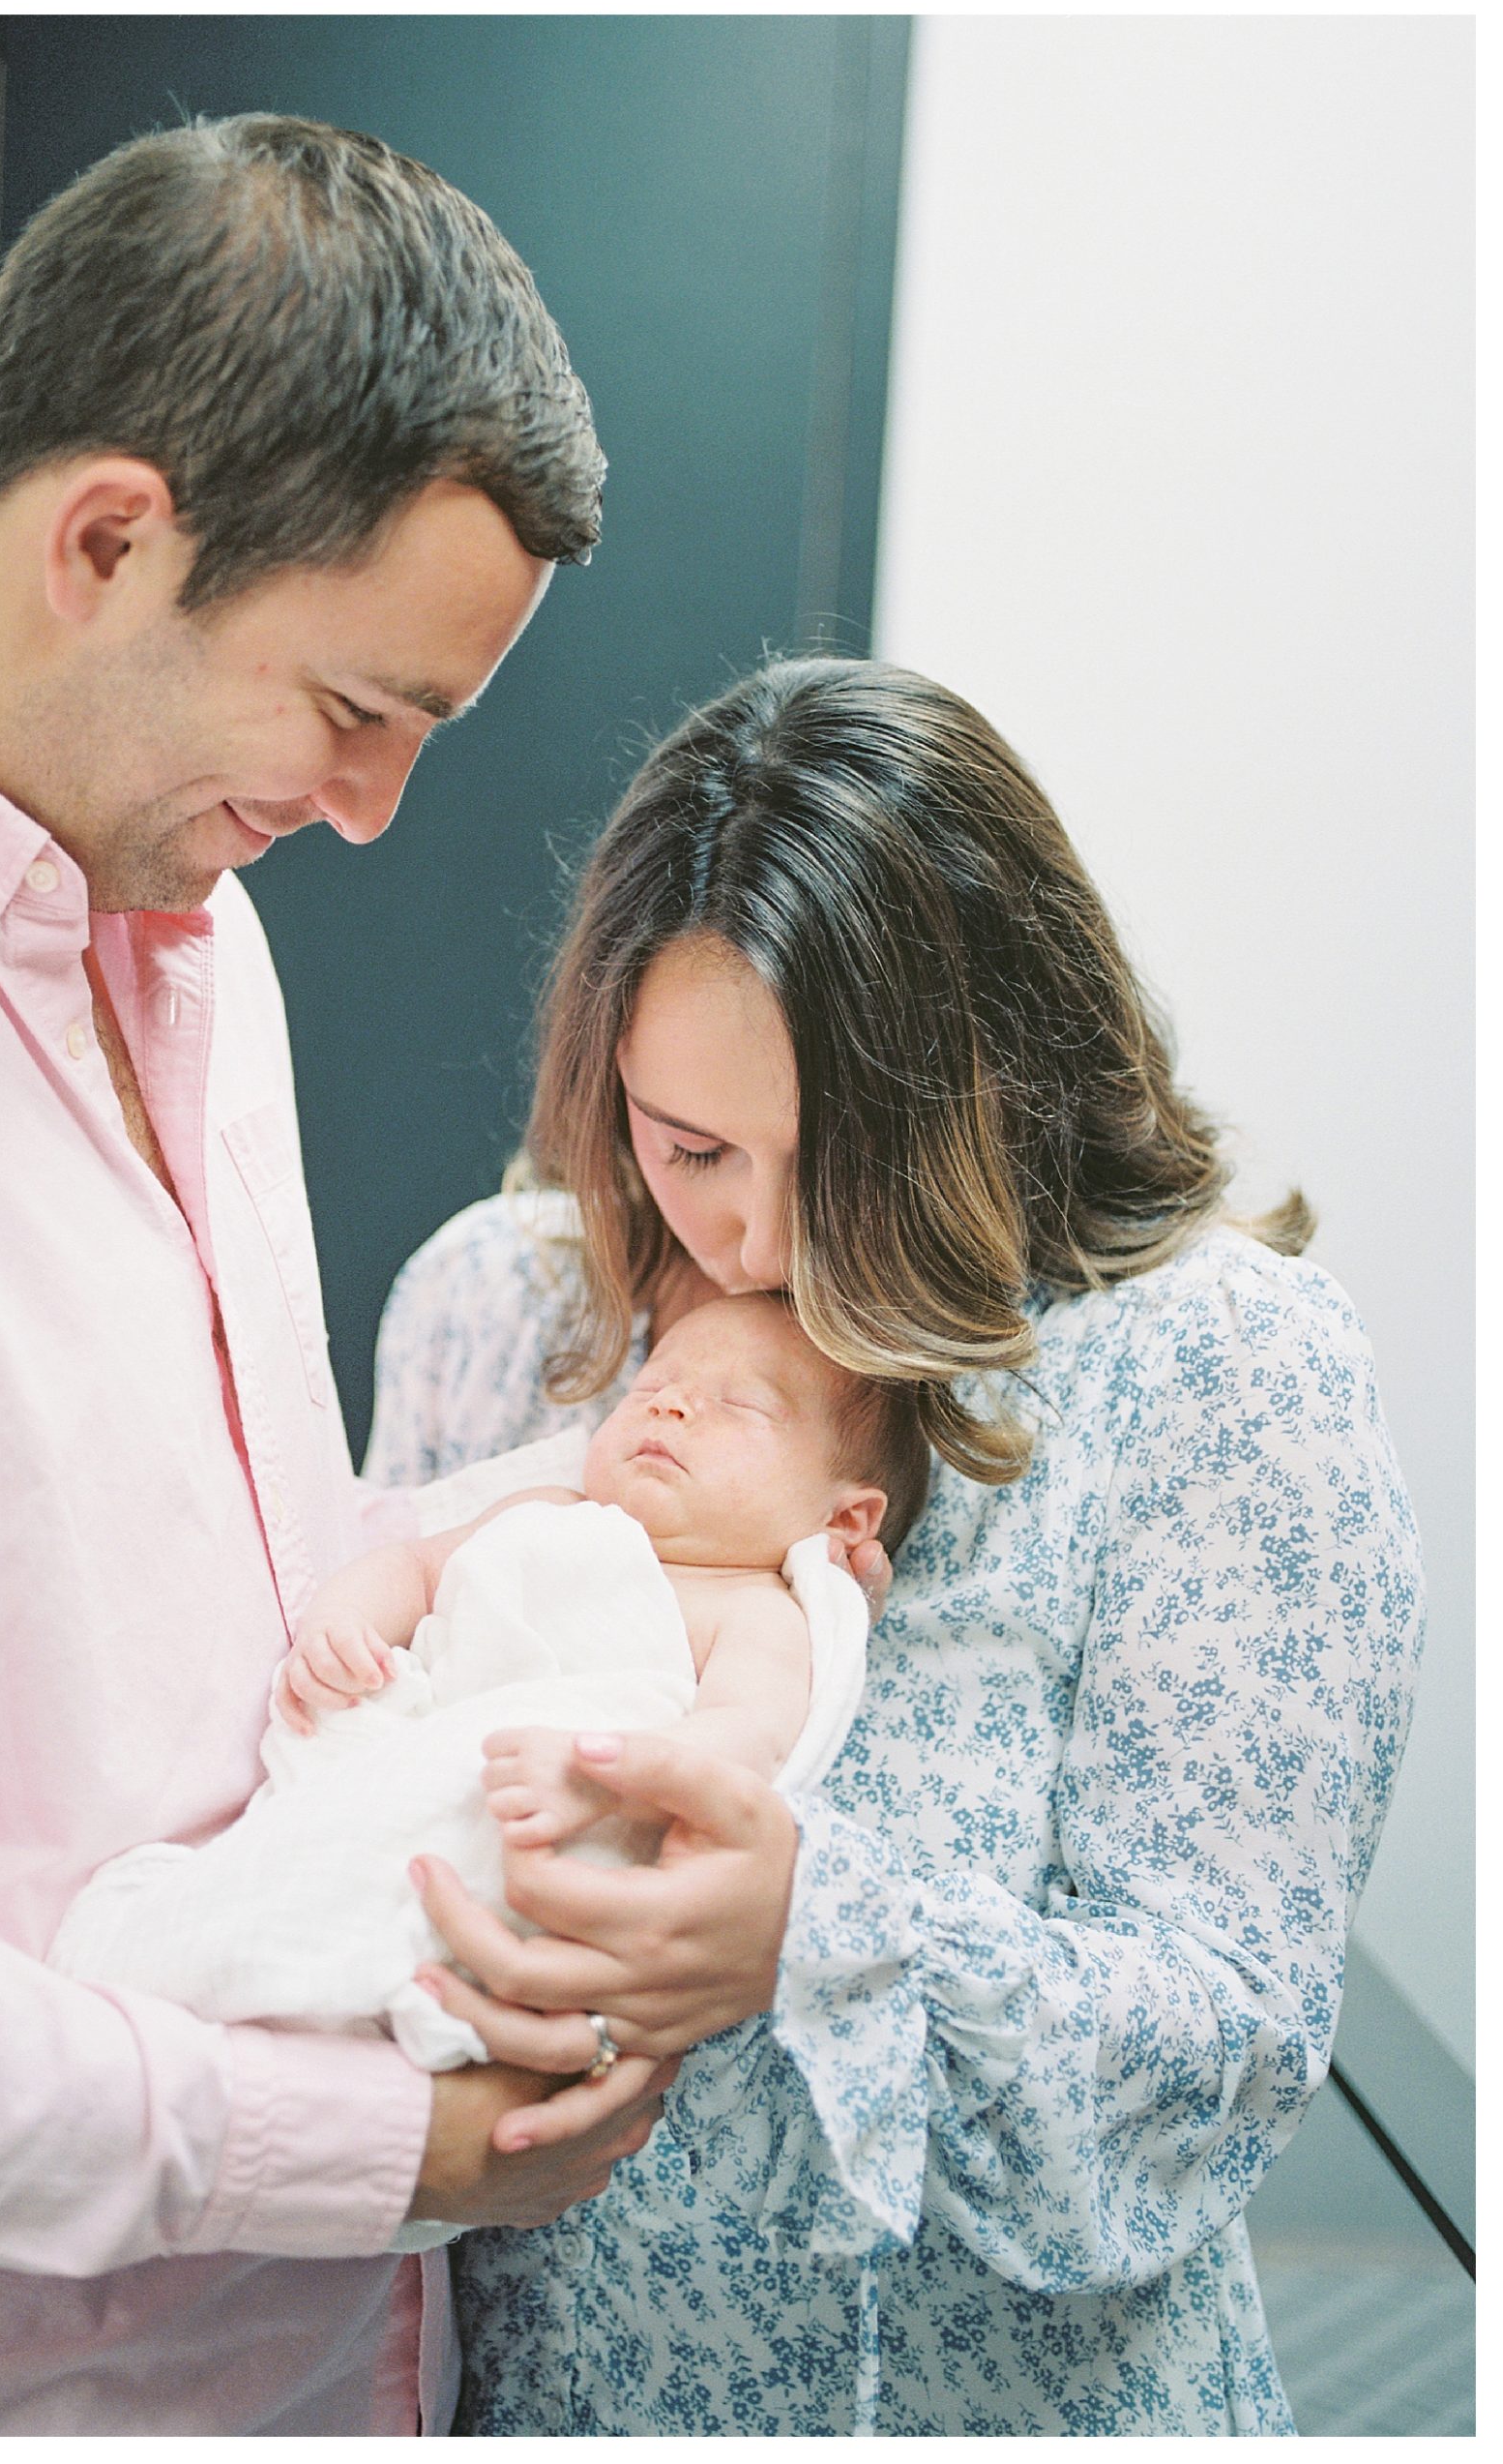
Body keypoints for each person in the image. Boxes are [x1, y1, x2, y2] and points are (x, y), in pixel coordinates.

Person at [0, 112, 678, 2438]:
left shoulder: (187, 934)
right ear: (108, 538)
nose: (371, 814)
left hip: (331, 2366)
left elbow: (219, 1614)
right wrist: (363, 2150)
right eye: (354, 712)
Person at [364, 656, 1427, 2435]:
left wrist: (817, 1934)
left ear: (1003, 1087)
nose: (753, 1235)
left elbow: (1220, 2059)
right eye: (687, 1144)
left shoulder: (1221, 1373)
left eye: (837, 1154)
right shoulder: (499, 1307)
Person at [46, 1292, 928, 2073]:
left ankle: (219, 1985)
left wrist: (601, 1771)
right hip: (400, 1753)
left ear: (845, 1516)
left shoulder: (755, 1609)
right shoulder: (544, 1513)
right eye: (650, 1384)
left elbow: (747, 1738)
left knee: (366, 1909)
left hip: (536, 1805)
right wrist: (344, 1626)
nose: (673, 1402)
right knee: (286, 1858)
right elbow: (415, 1568)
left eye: (739, 1405)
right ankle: (192, 1956)